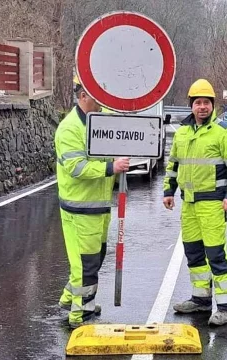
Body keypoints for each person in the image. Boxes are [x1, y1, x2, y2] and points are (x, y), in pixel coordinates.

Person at [162, 78, 227, 326]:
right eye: (197, 102)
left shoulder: (224, 133)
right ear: (191, 105)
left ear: (213, 105)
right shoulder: (183, 132)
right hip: (188, 205)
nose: (202, 107)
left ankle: (226, 307)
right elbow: (173, 165)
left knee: (216, 255)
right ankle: (200, 300)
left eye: (206, 102)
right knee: (194, 255)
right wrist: (169, 190)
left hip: (213, 204)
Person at [55, 75, 130, 328]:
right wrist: (112, 167)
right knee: (86, 266)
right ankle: (80, 316)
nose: (102, 100)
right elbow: (76, 168)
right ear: (82, 96)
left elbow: (124, 123)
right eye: (96, 94)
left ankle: (72, 300)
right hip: (80, 209)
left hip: (98, 206)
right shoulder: (69, 129)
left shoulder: (99, 119)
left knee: (94, 260)